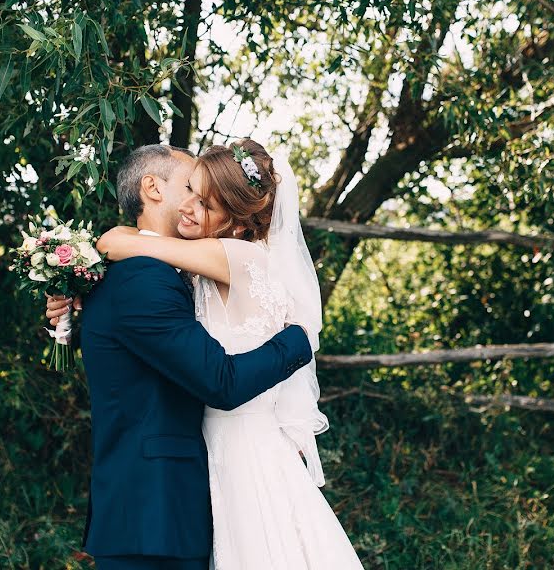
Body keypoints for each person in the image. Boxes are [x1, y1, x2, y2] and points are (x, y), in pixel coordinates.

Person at [67, 139, 364, 569]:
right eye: (190, 189)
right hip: (182, 486)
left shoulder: (225, 256)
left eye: (204, 200)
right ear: (153, 188)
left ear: (239, 221)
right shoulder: (174, 274)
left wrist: (301, 339)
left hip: (240, 454)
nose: (191, 205)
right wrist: (69, 298)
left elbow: (122, 245)